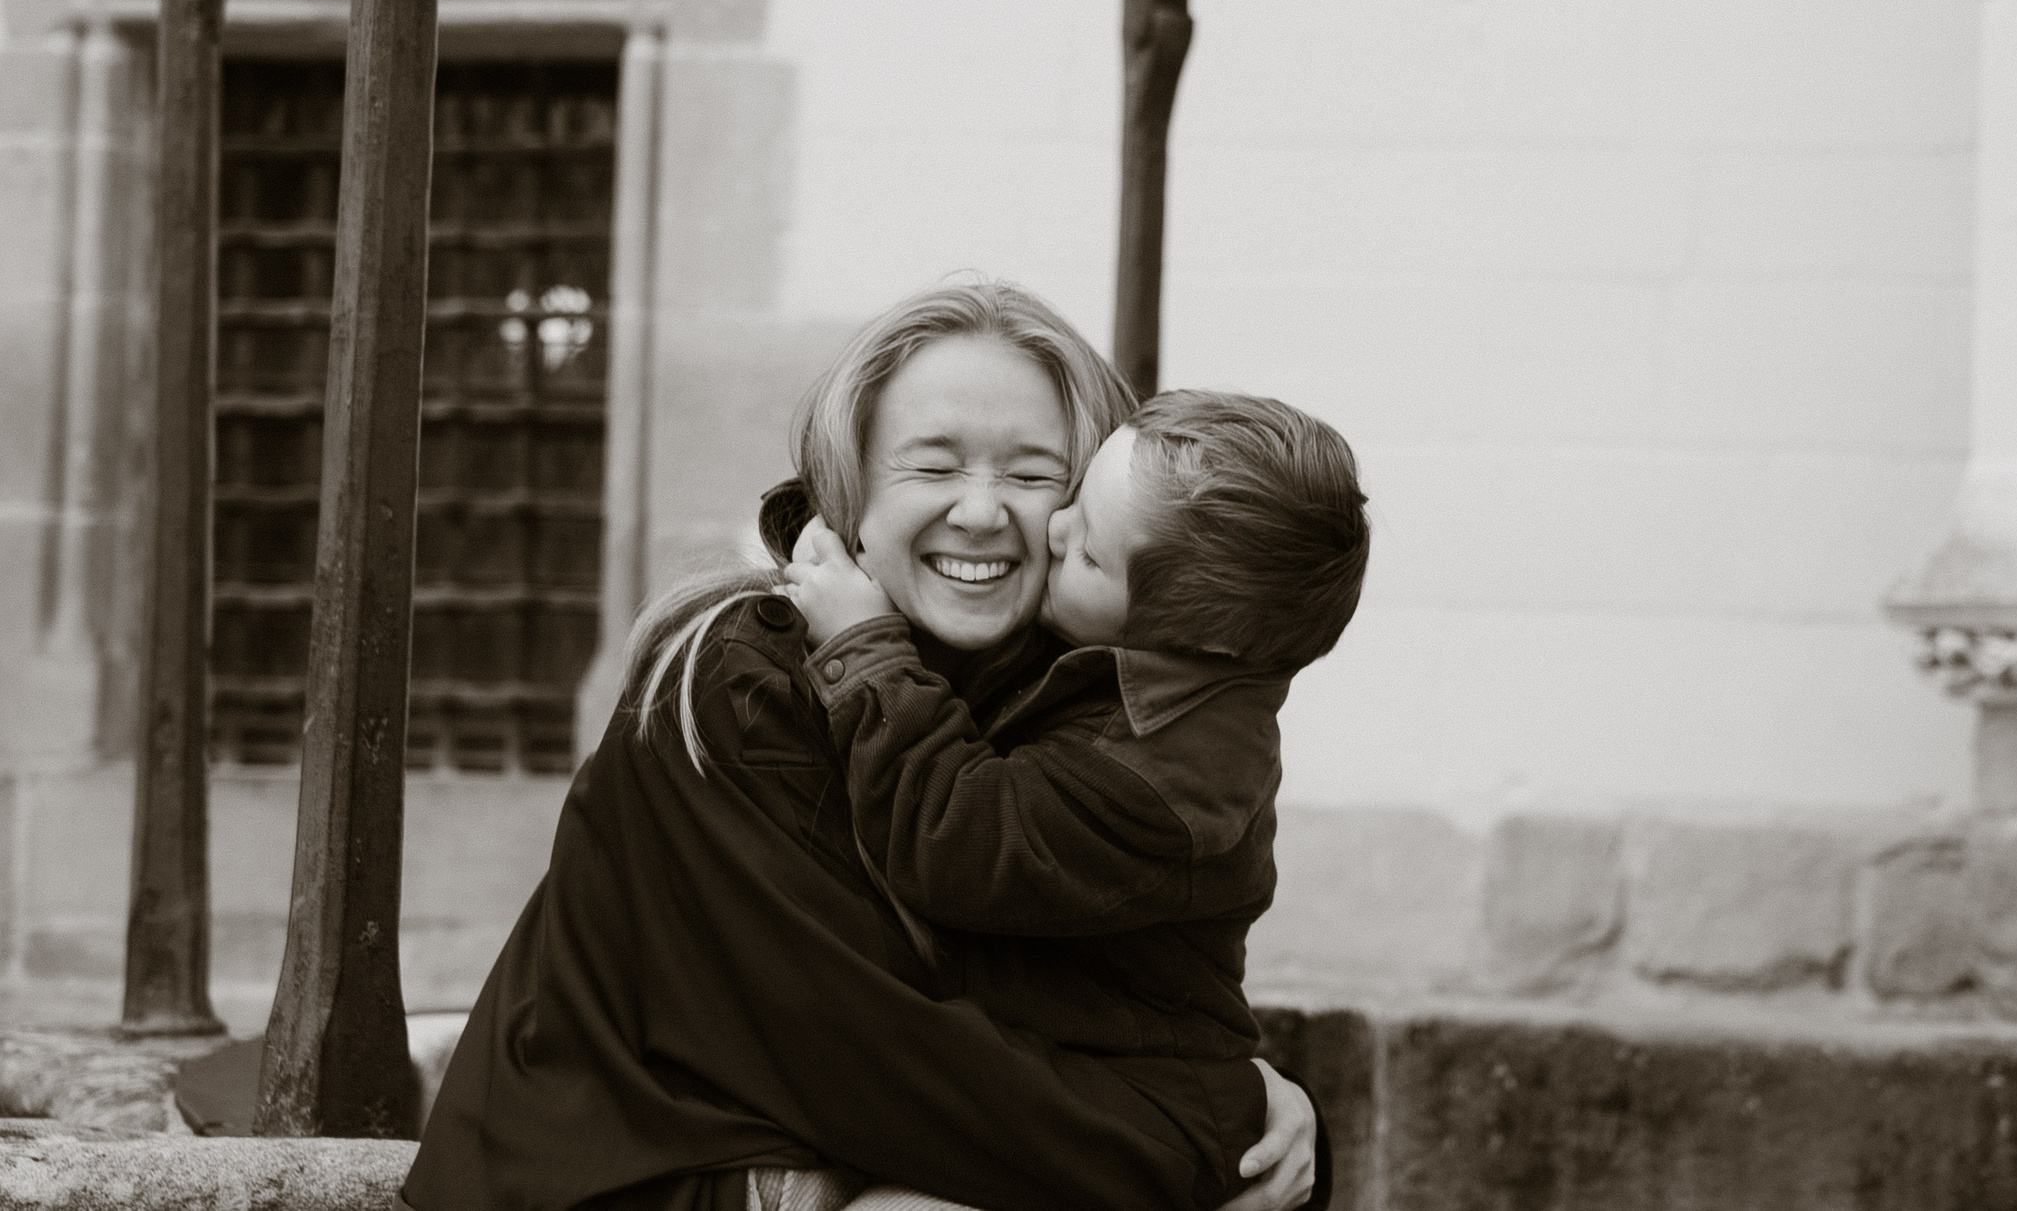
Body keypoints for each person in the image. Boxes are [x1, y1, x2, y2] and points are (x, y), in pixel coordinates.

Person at [403, 281, 1324, 1211]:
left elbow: (1072, 992)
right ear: (850, 487)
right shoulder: (738, 677)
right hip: (635, 1172)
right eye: (932, 467)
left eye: (1033, 471)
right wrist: (1211, 1128)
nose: (980, 510)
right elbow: (867, 1045)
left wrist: (1249, 1097)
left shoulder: (1082, 700)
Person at [775, 388, 1368, 1200]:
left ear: (1197, 642)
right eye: (1078, 496)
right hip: (1068, 1077)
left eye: (1089, 553)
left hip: (1133, 1109)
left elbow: (953, 839)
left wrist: (865, 646)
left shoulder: (1161, 779)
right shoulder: (1129, 660)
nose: (1053, 528)